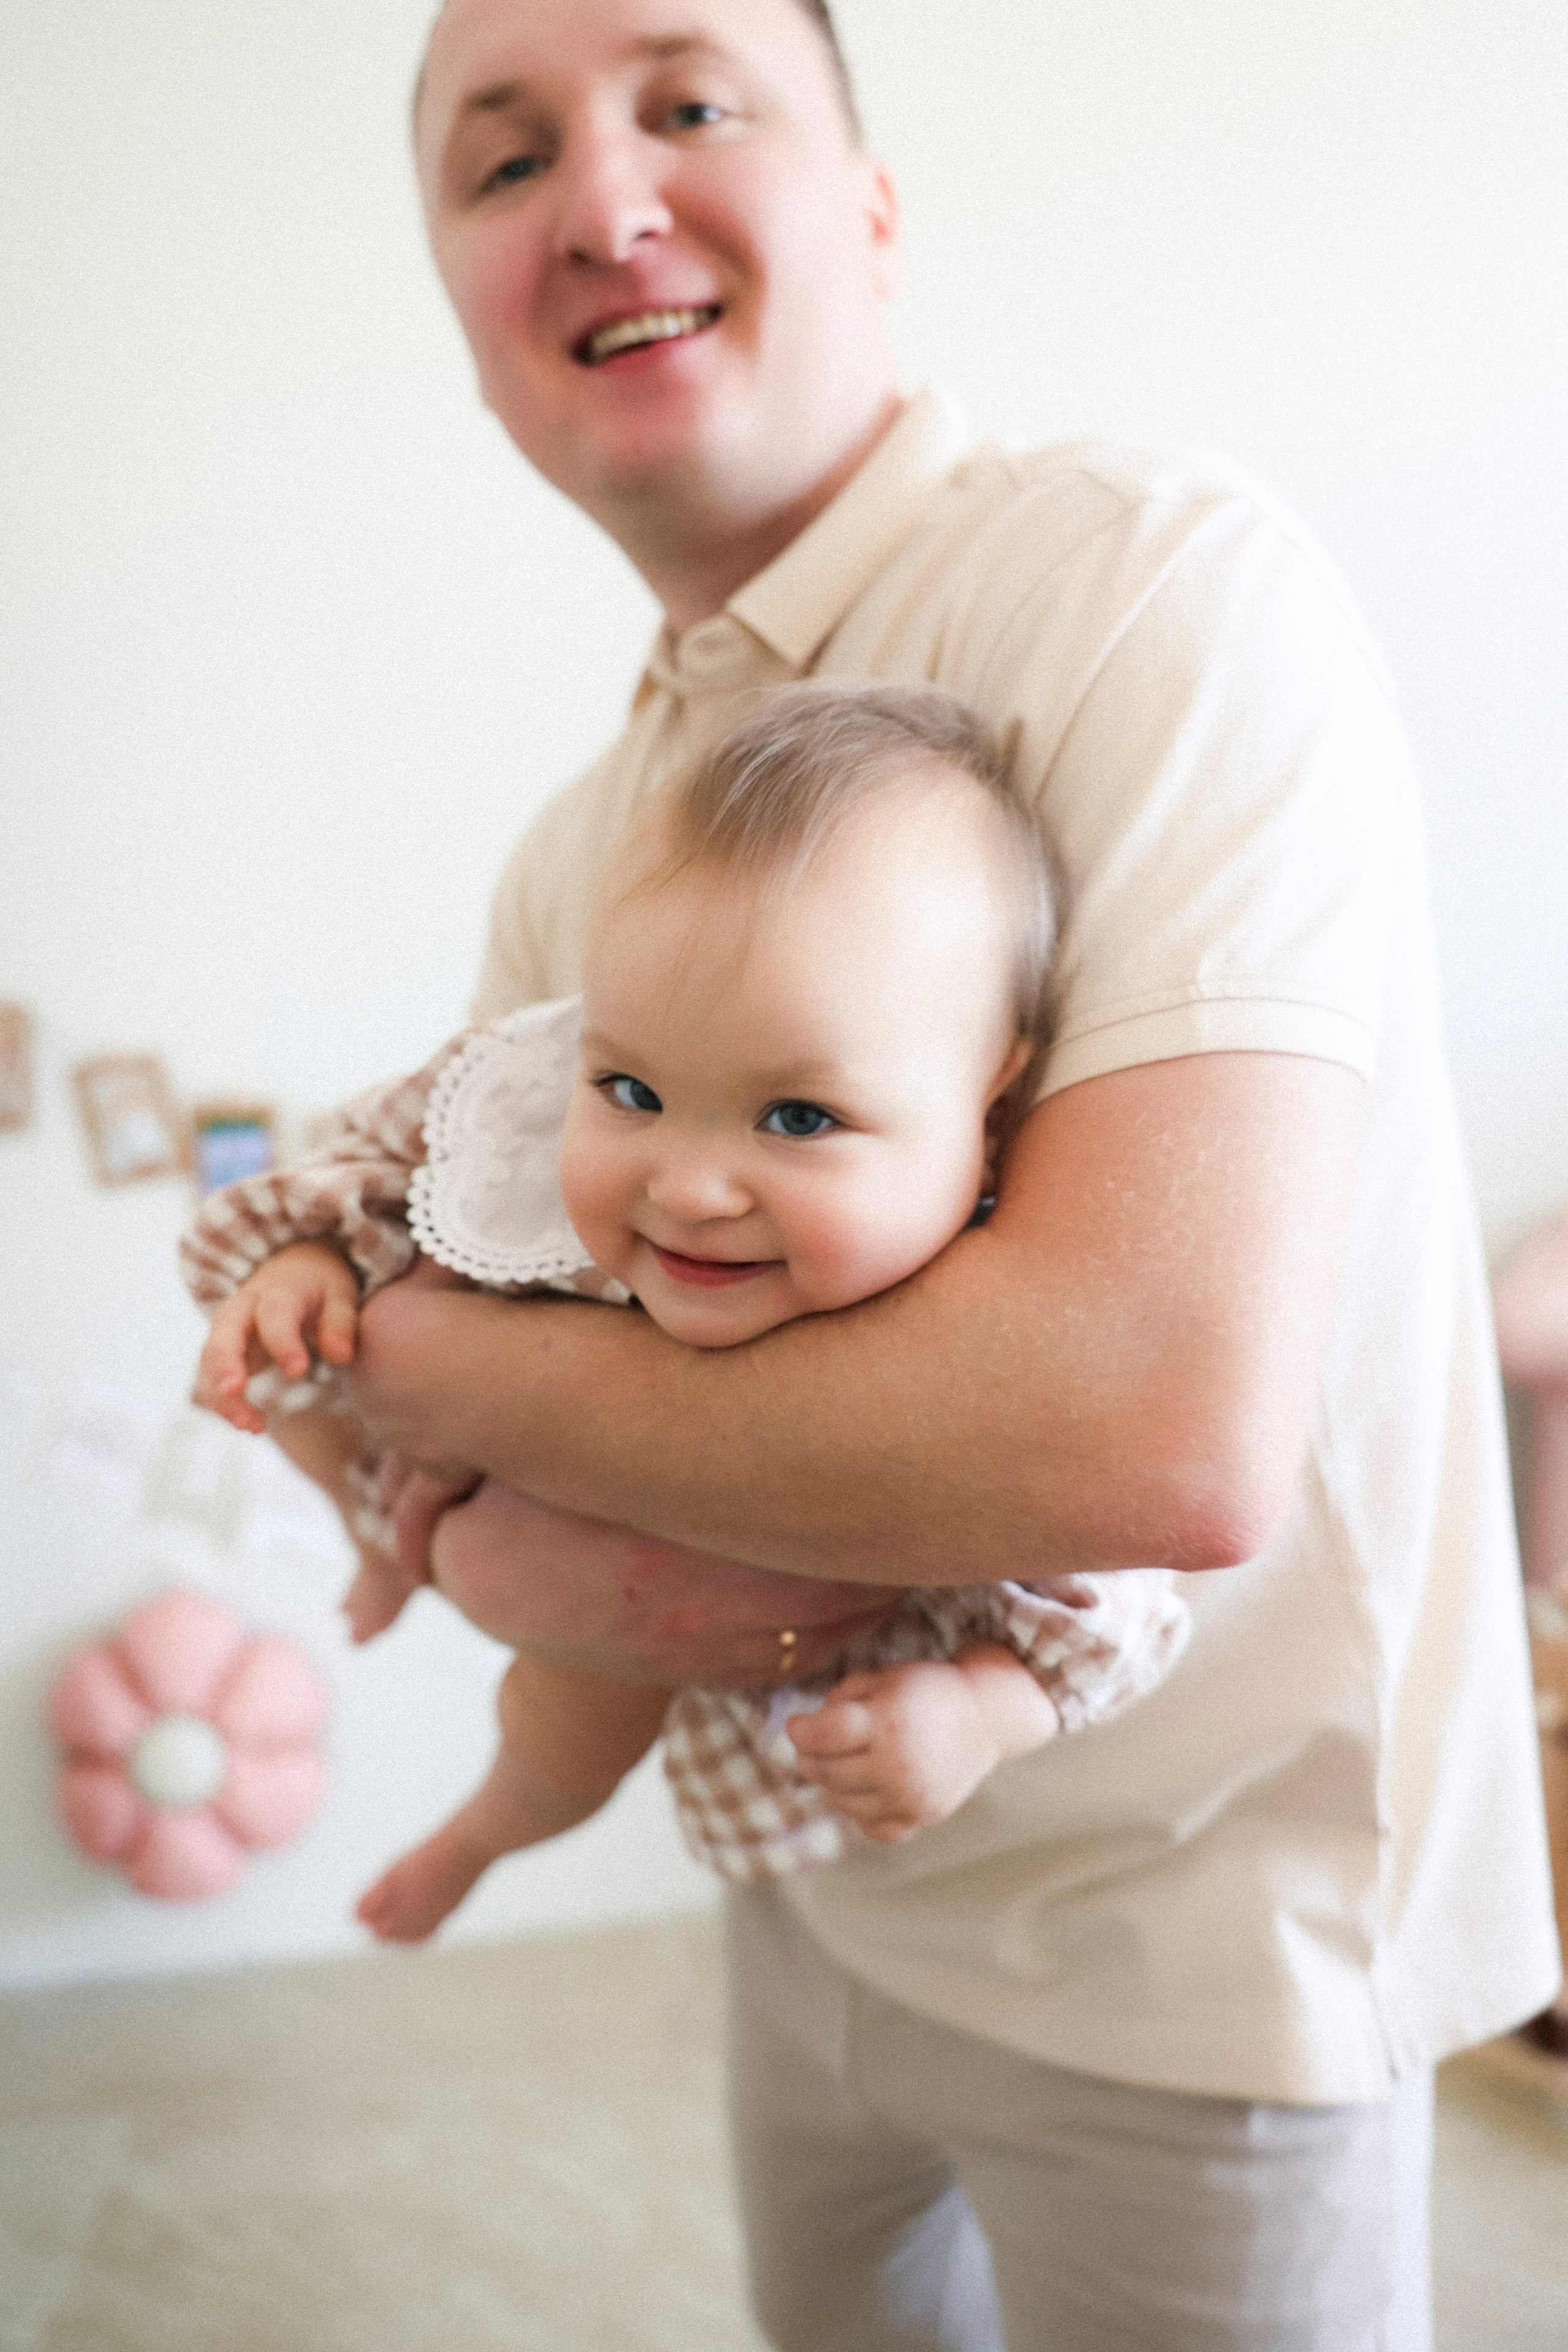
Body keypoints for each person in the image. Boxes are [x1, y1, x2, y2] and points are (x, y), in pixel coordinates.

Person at [243, 0, 1559, 2344]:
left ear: (871, 205)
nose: (605, 198)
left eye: (692, 100)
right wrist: (403, 1373)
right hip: (811, 1889)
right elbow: (432, 1302)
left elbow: (1141, 1432)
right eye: (500, 158)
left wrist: (442, 1393)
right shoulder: (583, 848)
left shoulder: (1149, 594)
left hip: (1197, 1953)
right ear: (468, 318)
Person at [183, 684, 1190, 1939]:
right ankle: (372, 1539)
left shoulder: (989, 1299)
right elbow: (366, 1178)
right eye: (633, 1089)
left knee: (565, 1729)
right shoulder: (537, 1085)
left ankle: (483, 1832)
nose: (689, 1188)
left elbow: (1116, 1588)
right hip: (461, 1464)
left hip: (712, 1619)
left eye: (799, 1119)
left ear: (987, 1095)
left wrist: (984, 1711)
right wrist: (308, 1268)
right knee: (286, 1374)